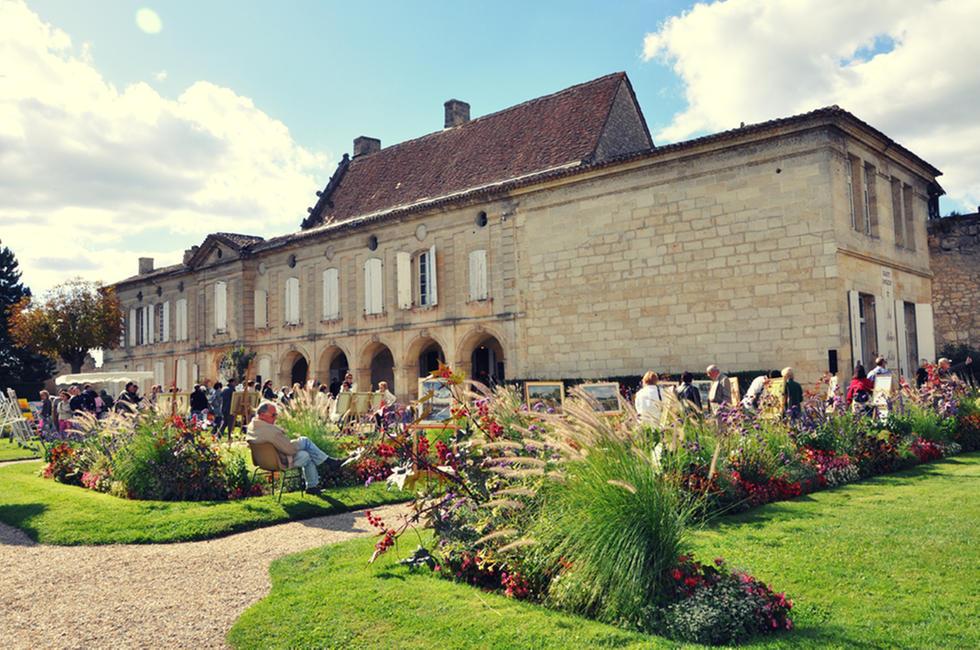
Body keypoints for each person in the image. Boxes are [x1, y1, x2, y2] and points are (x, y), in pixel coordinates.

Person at [245, 402, 337, 495]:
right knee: (306, 446)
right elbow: (290, 450)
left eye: (276, 415)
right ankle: (326, 465)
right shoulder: (271, 431)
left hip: (263, 462)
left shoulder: (252, 428)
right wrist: (298, 442)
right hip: (280, 462)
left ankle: (318, 477)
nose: (275, 418)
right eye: (273, 415)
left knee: (306, 452)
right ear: (262, 415)